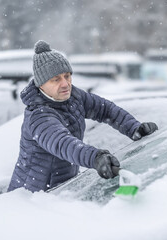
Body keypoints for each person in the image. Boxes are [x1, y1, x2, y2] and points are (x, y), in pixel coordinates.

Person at [8, 40, 158, 192]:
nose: (65, 84)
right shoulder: (38, 117)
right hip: (33, 198)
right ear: (41, 85)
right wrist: (95, 157)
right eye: (56, 79)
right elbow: (63, 143)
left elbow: (106, 110)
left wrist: (134, 128)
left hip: (63, 189)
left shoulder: (74, 97)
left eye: (67, 76)